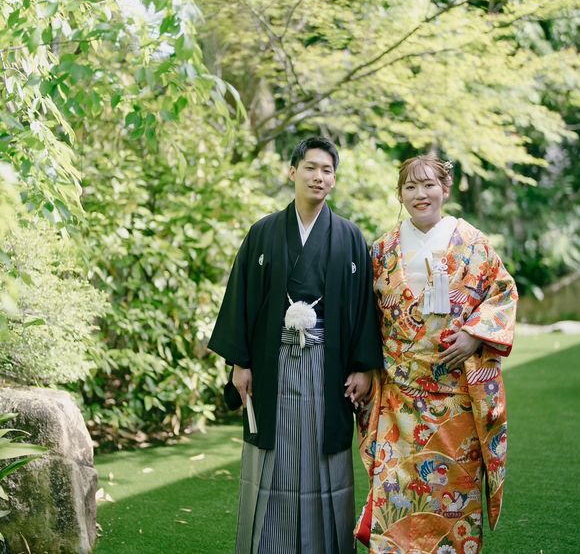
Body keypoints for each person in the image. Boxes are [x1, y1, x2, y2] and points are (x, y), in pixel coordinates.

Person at [208, 137, 383, 554]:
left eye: (327, 170)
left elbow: (364, 307)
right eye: (310, 167)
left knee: (324, 455)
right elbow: (241, 300)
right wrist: (240, 363)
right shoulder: (264, 233)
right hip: (273, 363)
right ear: (292, 172)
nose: (318, 176)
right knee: (273, 455)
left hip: (328, 364)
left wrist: (363, 367)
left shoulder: (349, 237)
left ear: (334, 179)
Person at [355, 156, 518, 553]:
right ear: (400, 195)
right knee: (397, 492)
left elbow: (502, 293)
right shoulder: (382, 249)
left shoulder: (473, 243)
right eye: (410, 187)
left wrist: (474, 336)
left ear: (445, 189)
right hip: (400, 397)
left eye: (428, 185)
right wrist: (362, 368)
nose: (420, 194)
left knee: (454, 493)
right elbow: (363, 315)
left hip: (456, 397)